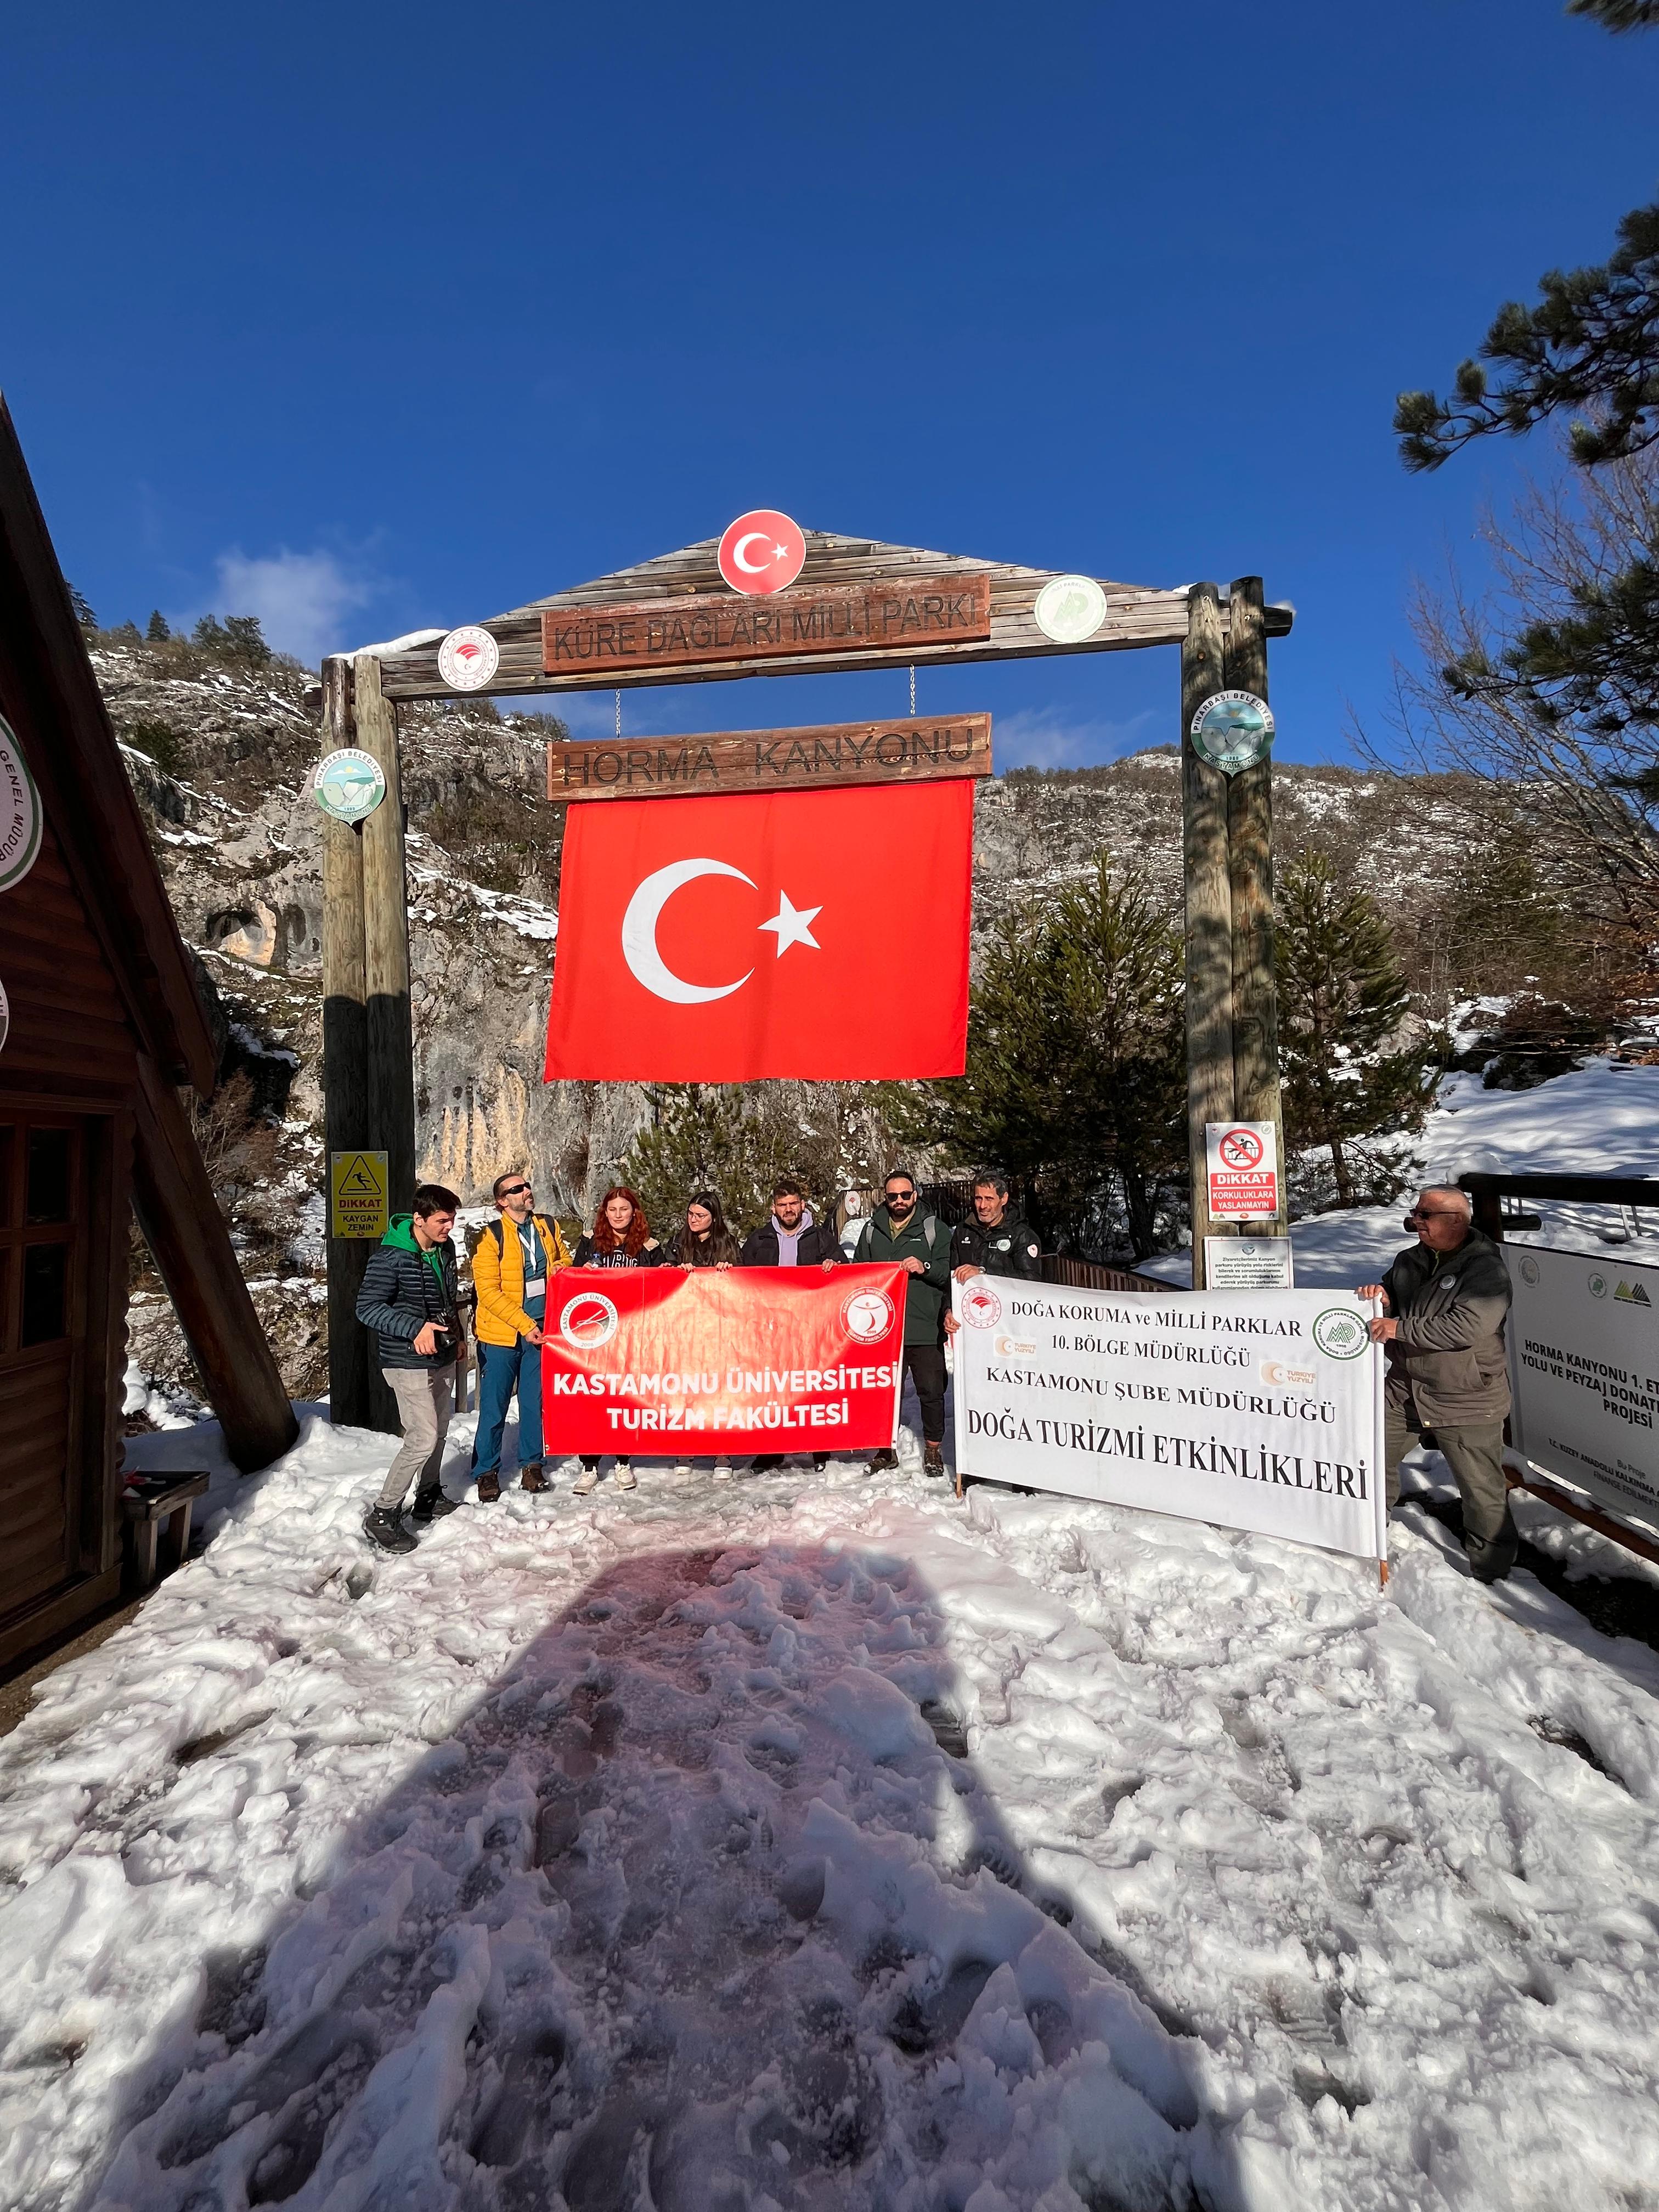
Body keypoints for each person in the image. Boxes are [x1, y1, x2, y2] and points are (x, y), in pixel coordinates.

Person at [1359, 1185, 1519, 1584]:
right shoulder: (1409, 1260)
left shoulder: (1487, 1271)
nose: (1415, 1221)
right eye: (1416, 1213)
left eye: (1424, 1215)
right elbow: (1393, 1300)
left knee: (1482, 1491)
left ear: (1455, 1221)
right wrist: (1379, 1298)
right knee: (1369, 1459)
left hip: (1466, 1397)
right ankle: (1368, 1539)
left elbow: (1467, 1326)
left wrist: (1398, 1327)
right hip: (1405, 1389)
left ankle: (1492, 1575)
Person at [354, 1183, 465, 1551]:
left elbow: (448, 1299)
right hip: (407, 1361)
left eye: (451, 1220)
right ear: (418, 1219)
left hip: (442, 1355)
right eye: (442, 1221)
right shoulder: (390, 1258)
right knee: (422, 1438)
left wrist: (458, 1336)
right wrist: (413, 1328)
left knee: (440, 1431)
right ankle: (383, 1514)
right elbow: (367, 1308)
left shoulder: (444, 1249)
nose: (449, 1227)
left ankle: (428, 1496)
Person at [470, 1169, 572, 1503]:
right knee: (494, 1407)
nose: (527, 1190)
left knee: (534, 1402)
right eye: (517, 1188)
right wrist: (524, 1324)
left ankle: (532, 1465)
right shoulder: (491, 1236)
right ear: (502, 1201)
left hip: (541, 1329)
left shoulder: (547, 1226)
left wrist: (559, 1268)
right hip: (503, 1335)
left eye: (527, 1185)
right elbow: (488, 1291)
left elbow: (563, 1260)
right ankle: (486, 1471)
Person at [849, 1169, 952, 1479]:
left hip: (923, 1325)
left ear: (915, 1195)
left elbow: (949, 1270)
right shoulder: (871, 1231)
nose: (899, 1201)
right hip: (882, 1330)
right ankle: (885, 1448)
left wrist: (925, 1266)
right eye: (893, 1196)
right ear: (886, 1197)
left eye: (905, 1195)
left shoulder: (935, 1229)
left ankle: (933, 1447)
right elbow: (858, 1272)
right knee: (883, 1392)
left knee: (931, 1390)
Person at [739, 1178, 840, 1472]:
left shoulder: (821, 1238)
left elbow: (845, 1273)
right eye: (782, 1205)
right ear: (774, 1208)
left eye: (793, 1203)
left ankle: (820, 1448)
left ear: (802, 1205)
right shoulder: (759, 1240)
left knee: (813, 1386)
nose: (788, 1209)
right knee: (773, 1389)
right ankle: (772, 1448)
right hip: (770, 1329)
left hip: (810, 1327)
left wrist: (834, 1267)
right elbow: (742, 1280)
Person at [569, 1186, 664, 1495]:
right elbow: (571, 1278)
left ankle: (623, 1459)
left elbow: (665, 1282)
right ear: (604, 1213)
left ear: (634, 1212)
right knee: (593, 1397)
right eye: (613, 1210)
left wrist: (664, 1272)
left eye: (625, 1209)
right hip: (597, 1335)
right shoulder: (590, 1241)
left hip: (633, 1335)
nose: (619, 1215)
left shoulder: (648, 1245)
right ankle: (589, 1464)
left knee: (623, 1397)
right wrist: (581, 1272)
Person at [667, 1191, 737, 1480]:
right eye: (691, 1214)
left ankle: (722, 1451)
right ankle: (687, 1449)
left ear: (714, 1218)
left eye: (701, 1216)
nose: (693, 1220)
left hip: (720, 1328)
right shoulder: (678, 1243)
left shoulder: (728, 1243)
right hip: (685, 1328)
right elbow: (663, 1276)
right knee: (688, 1389)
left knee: (720, 1389)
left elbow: (744, 1283)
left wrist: (729, 1270)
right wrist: (676, 1272)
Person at [950, 1169, 1044, 1284]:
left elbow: (1031, 1279)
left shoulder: (1022, 1235)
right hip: (969, 1301)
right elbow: (952, 1276)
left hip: (1006, 1301)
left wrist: (985, 1273)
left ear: (1003, 1199)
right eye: (979, 1198)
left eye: (989, 1199)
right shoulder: (963, 1231)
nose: (983, 1206)